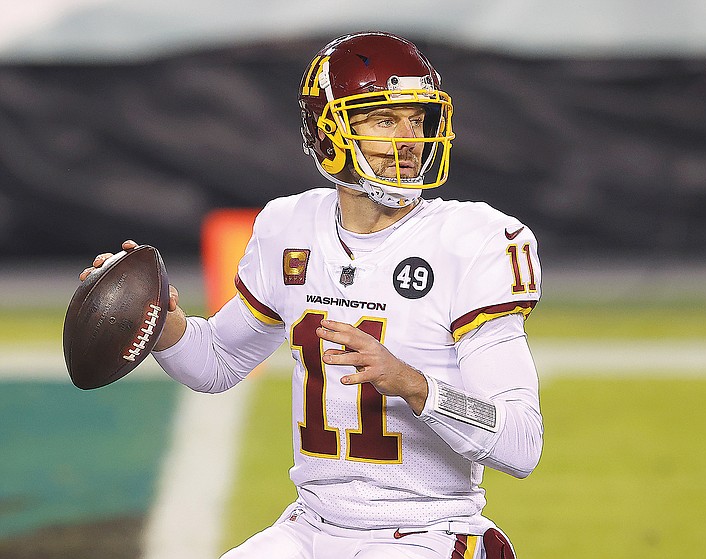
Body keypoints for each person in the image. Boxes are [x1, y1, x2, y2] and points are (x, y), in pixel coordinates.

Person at [83, 31, 544, 559]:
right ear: (331, 133)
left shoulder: (473, 239)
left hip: (426, 532)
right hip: (311, 527)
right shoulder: (289, 225)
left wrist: (413, 385)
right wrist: (164, 327)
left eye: (417, 119)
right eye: (385, 119)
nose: (411, 139)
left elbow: (520, 443)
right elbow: (218, 362)